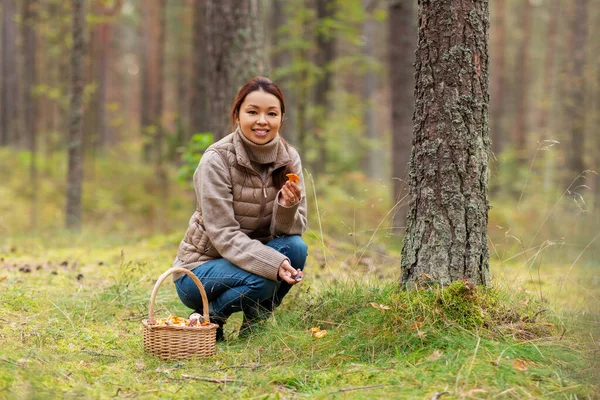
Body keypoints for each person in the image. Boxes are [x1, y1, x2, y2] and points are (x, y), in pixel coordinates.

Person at [172, 76, 308, 341]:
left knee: (296, 248)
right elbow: (223, 234)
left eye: (271, 113)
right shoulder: (217, 159)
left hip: (250, 260)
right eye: (252, 112)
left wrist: (287, 208)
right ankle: (209, 320)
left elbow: (294, 230)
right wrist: (272, 262)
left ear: (281, 119)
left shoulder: (289, 158)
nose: (262, 121)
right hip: (199, 271)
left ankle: (253, 331)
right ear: (237, 115)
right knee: (266, 277)